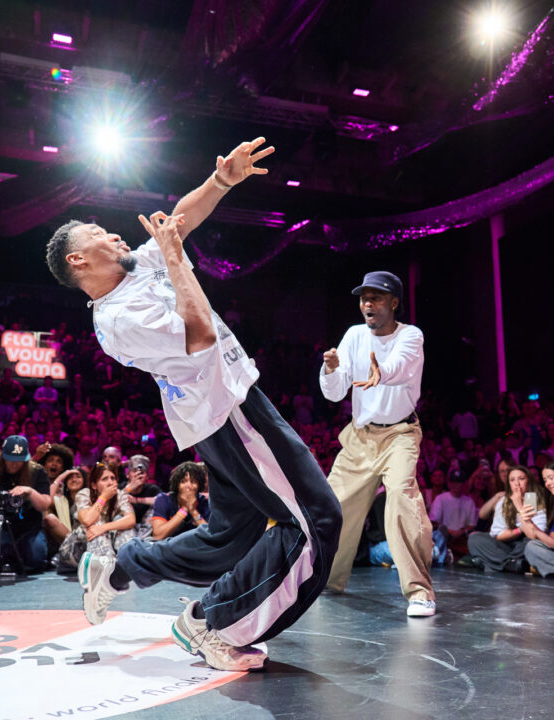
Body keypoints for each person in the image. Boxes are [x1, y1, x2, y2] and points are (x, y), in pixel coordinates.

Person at [45, 137, 341, 672]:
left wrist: (220, 180)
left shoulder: (133, 268)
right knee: (315, 520)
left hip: (219, 409)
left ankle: (122, 565)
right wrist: (177, 260)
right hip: (229, 413)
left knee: (229, 538)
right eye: (99, 233)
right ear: (78, 258)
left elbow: (178, 222)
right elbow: (200, 333)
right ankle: (212, 624)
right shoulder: (118, 320)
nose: (115, 233)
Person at [319, 270, 435, 617]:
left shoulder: (411, 335)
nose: (367, 304)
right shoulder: (354, 335)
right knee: (332, 505)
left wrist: (379, 372)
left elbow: (400, 367)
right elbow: (335, 393)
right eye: (364, 298)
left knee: (400, 498)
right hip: (360, 437)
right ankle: (325, 579)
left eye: (376, 297)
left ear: (394, 303)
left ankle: (420, 591)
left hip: (399, 435)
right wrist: (330, 370)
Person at [0, 434, 53, 572]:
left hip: (28, 527)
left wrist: (30, 491)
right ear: (3, 456)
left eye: (19, 460)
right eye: (10, 459)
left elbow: (45, 504)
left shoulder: (37, 471)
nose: (14, 464)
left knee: (35, 561)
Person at [467, 465, 550, 573]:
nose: (517, 483)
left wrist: (519, 505)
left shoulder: (537, 499)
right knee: (475, 538)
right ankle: (511, 564)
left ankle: (492, 563)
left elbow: (534, 535)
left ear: (529, 481)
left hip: (527, 544)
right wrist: (520, 529)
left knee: (531, 544)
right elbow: (499, 535)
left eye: (521, 479)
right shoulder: (504, 501)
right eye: (512, 480)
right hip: (508, 544)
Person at [55, 463, 137, 570]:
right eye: (105, 479)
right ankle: (106, 568)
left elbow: (131, 519)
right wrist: (103, 497)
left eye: (113, 478)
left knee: (124, 527)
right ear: (94, 485)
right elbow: (87, 521)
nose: (110, 482)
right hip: (76, 549)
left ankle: (125, 564)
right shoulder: (84, 494)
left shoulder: (119, 495)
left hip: (105, 543)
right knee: (94, 524)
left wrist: (104, 527)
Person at [152, 461, 212, 540]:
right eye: (183, 481)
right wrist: (184, 509)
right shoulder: (164, 499)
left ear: (199, 485)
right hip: (168, 544)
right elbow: (158, 536)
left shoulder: (205, 502)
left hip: (195, 545)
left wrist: (193, 511)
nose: (189, 486)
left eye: (193, 482)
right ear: (177, 485)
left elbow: (210, 536)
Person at [124, 454, 160, 538]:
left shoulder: (152, 489)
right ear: (127, 475)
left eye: (142, 473)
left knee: (156, 509)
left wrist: (137, 500)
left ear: (147, 476)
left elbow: (163, 500)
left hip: (145, 528)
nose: (138, 475)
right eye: (134, 471)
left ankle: (142, 541)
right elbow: (112, 500)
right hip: (126, 527)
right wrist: (129, 488)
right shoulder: (121, 487)